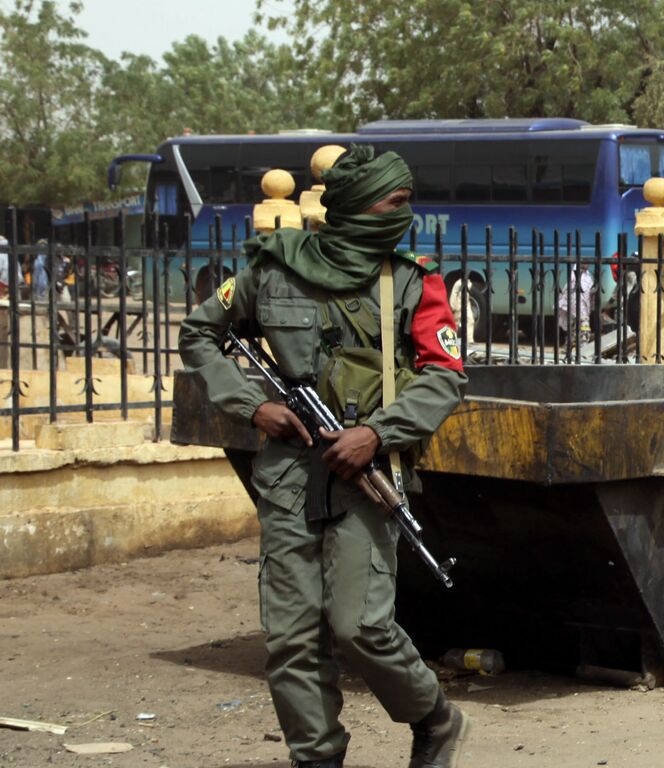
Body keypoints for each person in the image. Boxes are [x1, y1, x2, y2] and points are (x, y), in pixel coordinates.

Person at [177, 146, 471, 768]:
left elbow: (444, 374)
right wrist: (252, 405)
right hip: (288, 472)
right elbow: (200, 332)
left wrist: (380, 432)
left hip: (367, 473)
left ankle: (434, 718)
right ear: (358, 207)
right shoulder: (271, 270)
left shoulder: (412, 280)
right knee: (291, 637)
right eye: (393, 204)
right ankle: (316, 757)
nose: (404, 214)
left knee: (358, 626)